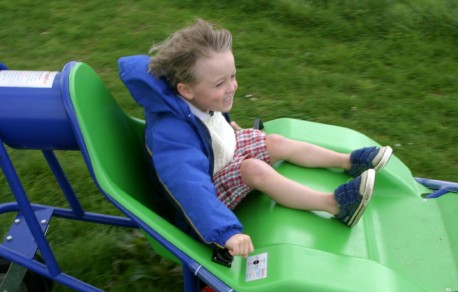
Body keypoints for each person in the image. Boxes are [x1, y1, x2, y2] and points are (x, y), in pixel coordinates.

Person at [119, 18, 392, 258]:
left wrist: (228, 133)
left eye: (233, 76)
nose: (232, 87)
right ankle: (335, 205)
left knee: (274, 142)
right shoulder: (171, 137)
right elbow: (190, 189)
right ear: (185, 90)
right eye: (220, 83)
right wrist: (226, 232)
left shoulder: (195, 99)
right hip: (205, 201)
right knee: (253, 169)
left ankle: (349, 162)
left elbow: (206, 126)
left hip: (218, 159)